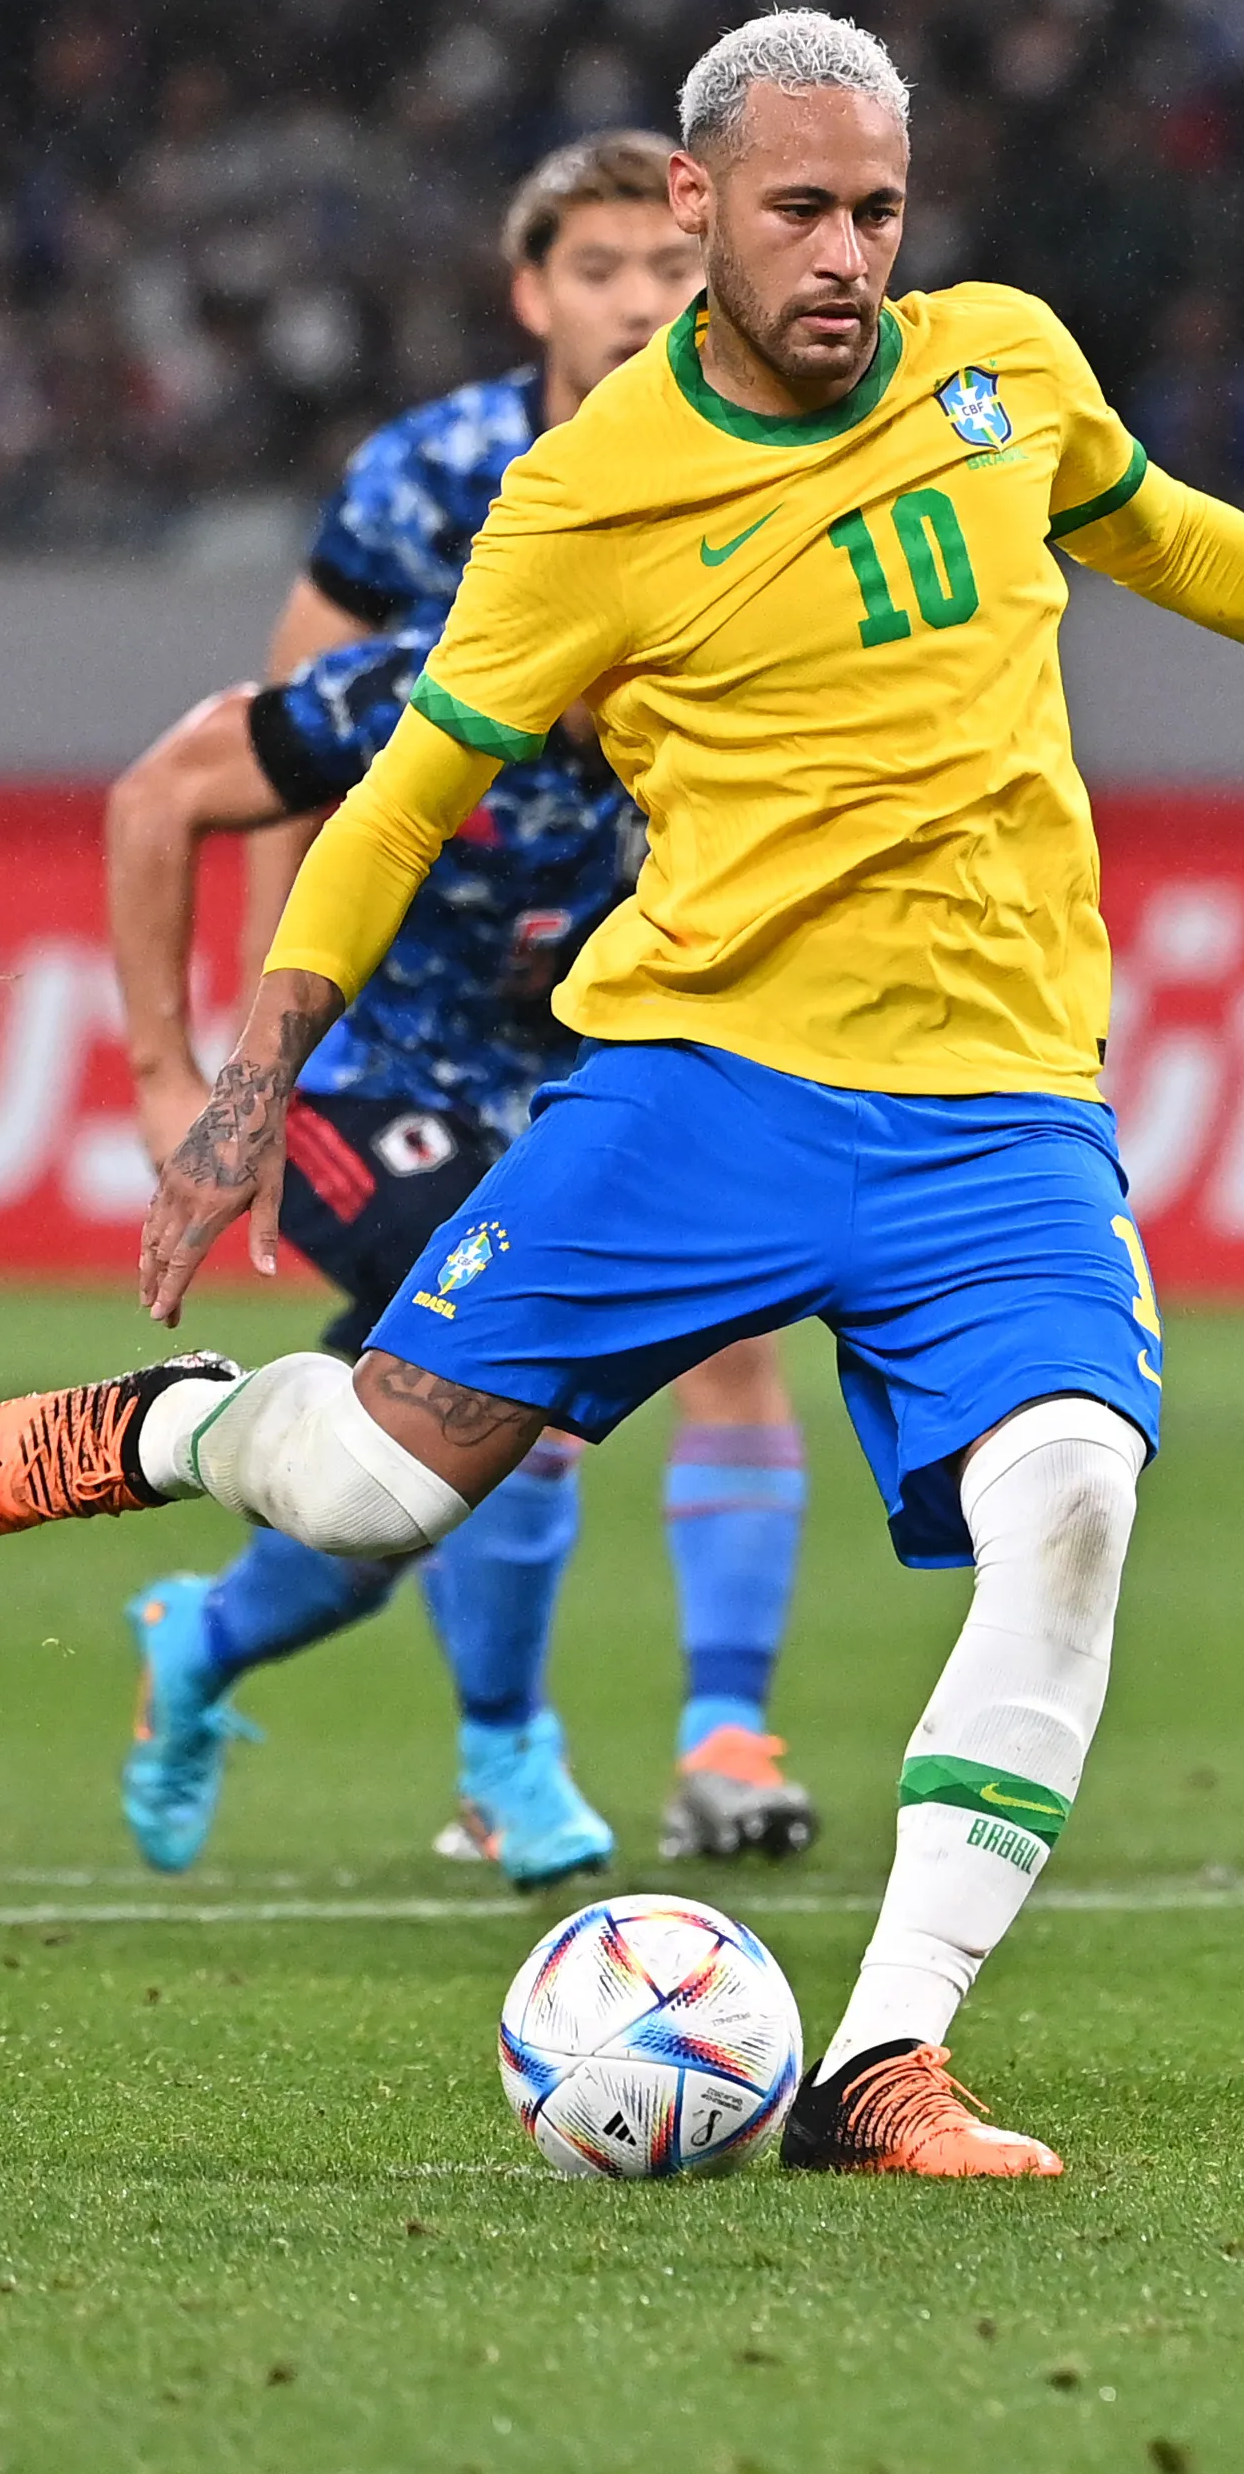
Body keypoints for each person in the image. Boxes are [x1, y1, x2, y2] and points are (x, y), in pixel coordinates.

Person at [0, 10, 1244, 2175]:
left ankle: (885, 2058)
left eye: (878, 209)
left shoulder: (1004, 362)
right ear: (696, 203)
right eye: (801, 209)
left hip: (998, 1104)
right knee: (376, 1493)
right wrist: (251, 1078)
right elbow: (403, 795)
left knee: (1076, 1491)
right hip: (704, 1083)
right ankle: (172, 1428)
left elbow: (1166, 531)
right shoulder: (587, 492)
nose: (847, 255)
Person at [126, 132, 817, 1879]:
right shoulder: (427, 518)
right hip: (393, 1059)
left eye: (666, 268)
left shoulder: (778, 481)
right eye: (600, 267)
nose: (639, 299)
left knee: (418, 1462)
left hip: (605, 1049)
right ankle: (509, 1757)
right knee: (507, 1395)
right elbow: (253, 774)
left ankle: (219, 1640)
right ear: (531, 292)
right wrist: (231, 1065)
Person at [102, 619, 663, 1880]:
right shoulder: (424, 689)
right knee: (523, 1358)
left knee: (387, 1484)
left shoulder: (716, 722)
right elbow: (158, 796)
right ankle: (507, 1756)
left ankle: (202, 1638)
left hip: (537, 1126)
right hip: (349, 1095)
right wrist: (162, 1074)